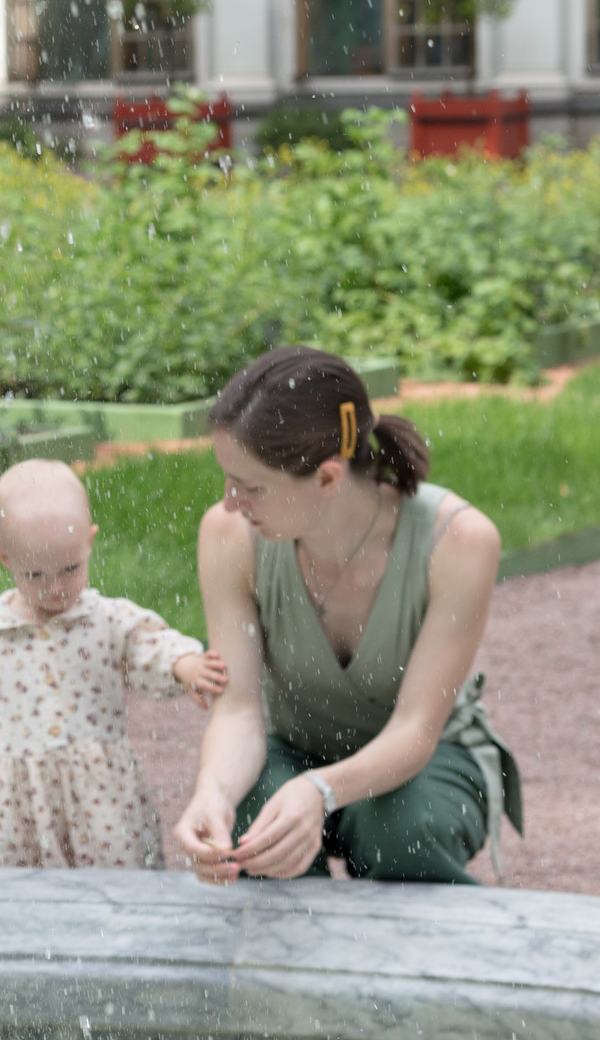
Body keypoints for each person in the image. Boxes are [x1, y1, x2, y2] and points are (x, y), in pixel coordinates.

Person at [173, 347, 522, 885]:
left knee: (402, 832)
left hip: (429, 759)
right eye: (228, 479)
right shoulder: (227, 534)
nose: (232, 501)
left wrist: (321, 790)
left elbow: (415, 729)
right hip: (291, 750)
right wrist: (212, 794)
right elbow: (238, 710)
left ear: (328, 478)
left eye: (252, 486)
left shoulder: (459, 541)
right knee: (248, 826)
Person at [0, 459, 230, 868]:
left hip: (101, 799)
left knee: (115, 873)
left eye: (70, 569)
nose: (56, 587)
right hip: (18, 802)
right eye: (36, 575)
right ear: (5, 558)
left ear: (89, 542)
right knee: (16, 885)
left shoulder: (105, 619)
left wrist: (182, 664)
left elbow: (145, 644)